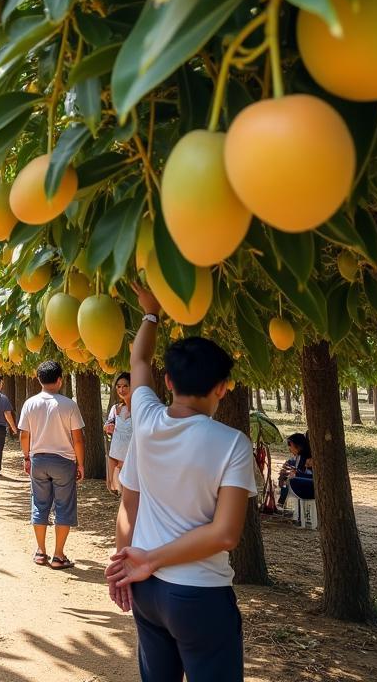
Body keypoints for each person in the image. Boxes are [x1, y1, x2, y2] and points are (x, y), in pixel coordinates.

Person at [107, 283, 257, 682]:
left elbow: (138, 359)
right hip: (198, 592)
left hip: (148, 591)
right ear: (223, 387)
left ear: (169, 382)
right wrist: (148, 561)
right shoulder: (232, 444)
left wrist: (150, 312)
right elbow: (225, 535)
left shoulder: (146, 421)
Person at [17, 360, 86, 569]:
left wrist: (26, 457)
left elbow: (24, 435)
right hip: (64, 461)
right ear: (60, 379)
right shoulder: (69, 405)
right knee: (64, 507)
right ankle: (58, 555)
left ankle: (40, 552)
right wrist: (80, 464)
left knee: (40, 504)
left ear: (39, 379)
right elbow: (78, 439)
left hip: (38, 460)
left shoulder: (30, 403)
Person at [105, 372, 133, 495]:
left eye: (125, 386)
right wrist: (107, 428)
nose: (121, 390)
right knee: (122, 496)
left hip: (133, 459)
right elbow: (108, 427)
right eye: (118, 386)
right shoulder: (115, 409)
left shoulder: (140, 409)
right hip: (115, 457)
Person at [278, 432, 314, 510]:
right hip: (307, 480)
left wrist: (294, 473)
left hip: (311, 484)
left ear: (297, 446)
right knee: (286, 476)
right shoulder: (300, 456)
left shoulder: (307, 458)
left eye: (290, 446)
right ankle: (280, 504)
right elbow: (295, 466)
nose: (289, 449)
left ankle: (280, 504)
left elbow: (305, 473)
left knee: (289, 479)